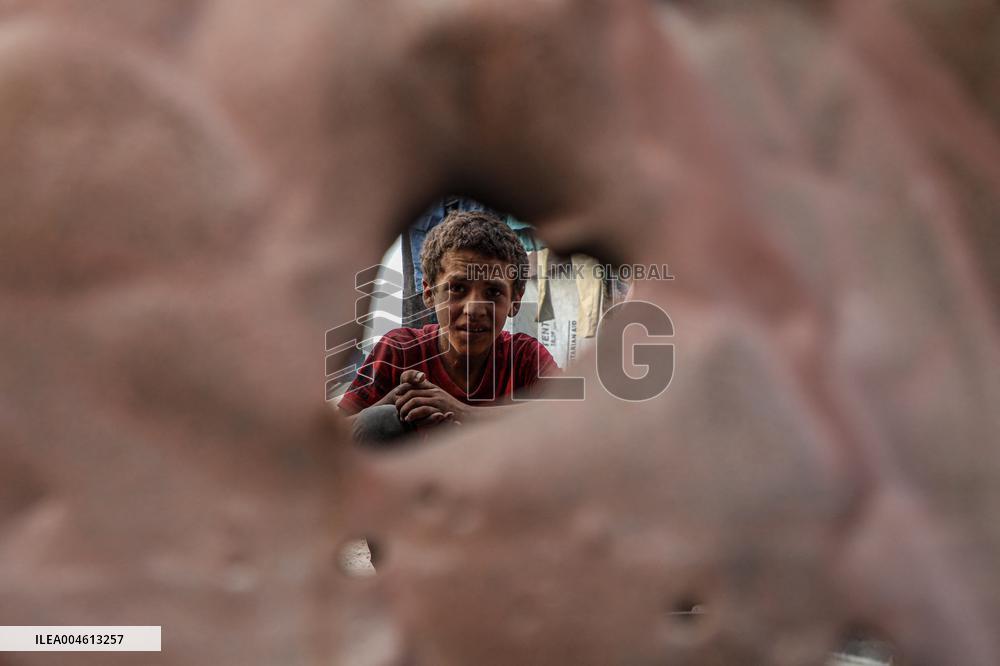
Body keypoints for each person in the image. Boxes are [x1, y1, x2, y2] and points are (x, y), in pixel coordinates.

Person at [338, 210, 560, 444]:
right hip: (413, 469)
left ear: (515, 301)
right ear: (429, 293)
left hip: (498, 468)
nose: (474, 309)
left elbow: (573, 414)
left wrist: (463, 412)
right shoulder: (399, 350)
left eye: (493, 292)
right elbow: (328, 436)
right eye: (457, 288)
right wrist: (393, 401)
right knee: (378, 420)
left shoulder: (525, 357)